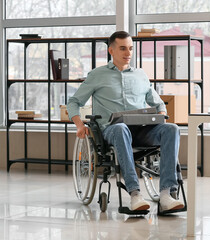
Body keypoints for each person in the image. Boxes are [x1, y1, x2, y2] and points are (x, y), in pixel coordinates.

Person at [67, 31, 184, 212]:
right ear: (111, 51)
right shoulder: (97, 75)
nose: (128, 53)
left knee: (172, 129)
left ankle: (167, 193)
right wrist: (79, 125)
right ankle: (135, 193)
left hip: (142, 130)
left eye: (130, 48)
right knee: (121, 128)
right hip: (112, 130)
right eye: (122, 48)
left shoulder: (140, 75)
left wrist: (161, 113)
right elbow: (74, 102)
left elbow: (159, 102)